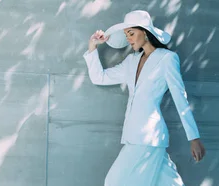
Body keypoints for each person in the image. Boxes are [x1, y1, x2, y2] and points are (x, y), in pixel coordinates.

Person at [82, 10, 206, 186]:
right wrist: (93, 46)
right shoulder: (131, 61)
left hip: (148, 136)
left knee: (114, 182)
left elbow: (180, 98)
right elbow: (99, 77)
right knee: (169, 183)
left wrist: (193, 138)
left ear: (145, 32)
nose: (129, 39)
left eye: (131, 33)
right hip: (137, 136)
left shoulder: (167, 59)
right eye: (126, 35)